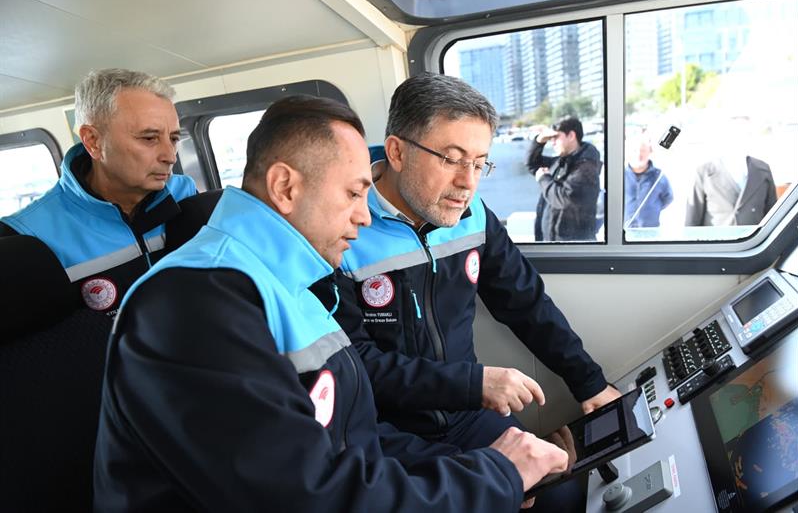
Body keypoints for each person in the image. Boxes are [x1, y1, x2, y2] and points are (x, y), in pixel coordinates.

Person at [93, 95, 569, 512]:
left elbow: (353, 438)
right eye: (354, 192)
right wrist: (493, 476)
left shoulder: (292, 285)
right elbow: (304, 497)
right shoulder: (195, 306)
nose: (365, 216)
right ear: (285, 187)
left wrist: (477, 467)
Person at [312, 73, 620, 509]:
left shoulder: (472, 216)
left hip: (467, 415)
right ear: (397, 152)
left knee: (562, 494)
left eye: (479, 163)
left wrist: (589, 383)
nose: (468, 183)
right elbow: (357, 365)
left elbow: (526, 302)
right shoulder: (344, 232)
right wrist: (475, 384)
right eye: (452, 159)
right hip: (389, 431)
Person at [0, 69, 197, 316]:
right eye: (149, 138)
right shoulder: (29, 235)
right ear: (93, 141)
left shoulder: (185, 194)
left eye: (174, 139)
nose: (170, 156)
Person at [526, 116, 602, 241]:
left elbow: (564, 198)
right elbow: (532, 164)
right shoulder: (562, 161)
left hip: (573, 247)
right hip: (555, 243)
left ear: (571, 136)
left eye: (556, 137)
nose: (552, 142)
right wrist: (540, 141)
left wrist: (544, 178)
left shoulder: (586, 168)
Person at [685, 154, 777, 226]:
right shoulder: (704, 172)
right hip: (717, 242)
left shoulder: (763, 169)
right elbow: (692, 220)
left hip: (754, 243)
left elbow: (773, 216)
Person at [624, 132, 674, 228]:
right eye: (635, 150)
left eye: (643, 150)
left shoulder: (659, 176)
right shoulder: (621, 176)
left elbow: (668, 198)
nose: (639, 155)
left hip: (650, 232)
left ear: (649, 152)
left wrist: (653, 209)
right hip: (624, 232)